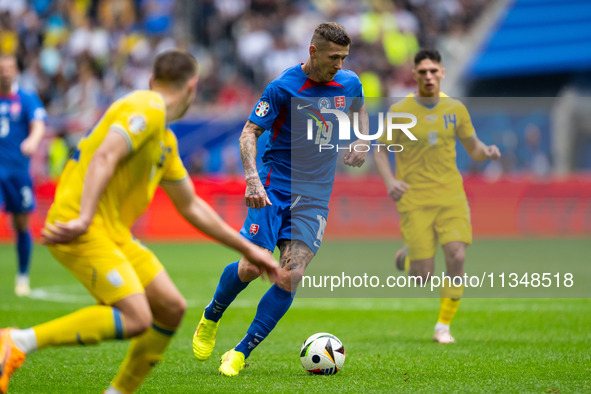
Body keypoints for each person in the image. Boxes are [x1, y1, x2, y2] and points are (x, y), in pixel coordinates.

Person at [0, 49, 280, 394]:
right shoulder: (147, 107)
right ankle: (16, 342)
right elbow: (105, 156)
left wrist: (253, 252)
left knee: (171, 308)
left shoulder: (165, 139)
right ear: (193, 86)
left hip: (112, 232)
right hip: (81, 225)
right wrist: (85, 217)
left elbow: (191, 205)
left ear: (153, 79)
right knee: (136, 317)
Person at [192, 22, 368, 376]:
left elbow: (360, 110)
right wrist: (253, 180)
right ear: (313, 52)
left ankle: (240, 353)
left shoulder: (350, 83)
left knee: (291, 275)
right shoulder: (282, 87)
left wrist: (362, 139)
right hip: (273, 188)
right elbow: (248, 133)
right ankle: (211, 315)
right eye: (334, 57)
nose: (340, 64)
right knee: (252, 267)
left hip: (315, 196)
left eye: (344, 57)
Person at [374, 49, 501, 343]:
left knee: (456, 255)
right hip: (414, 198)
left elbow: (474, 147)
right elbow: (379, 149)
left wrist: (488, 152)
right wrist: (390, 181)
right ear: (414, 75)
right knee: (423, 275)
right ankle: (408, 255)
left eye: (434, 71)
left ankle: (443, 326)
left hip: (450, 195)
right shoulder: (400, 112)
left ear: (442, 73)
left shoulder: (455, 109)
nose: (429, 77)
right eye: (423, 72)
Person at [0, 55, 47, 297]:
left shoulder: (27, 98)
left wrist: (33, 139)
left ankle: (22, 276)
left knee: (21, 224)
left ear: (15, 71)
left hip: (18, 171)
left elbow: (39, 124)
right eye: (1, 69)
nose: (5, 73)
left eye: (9, 68)